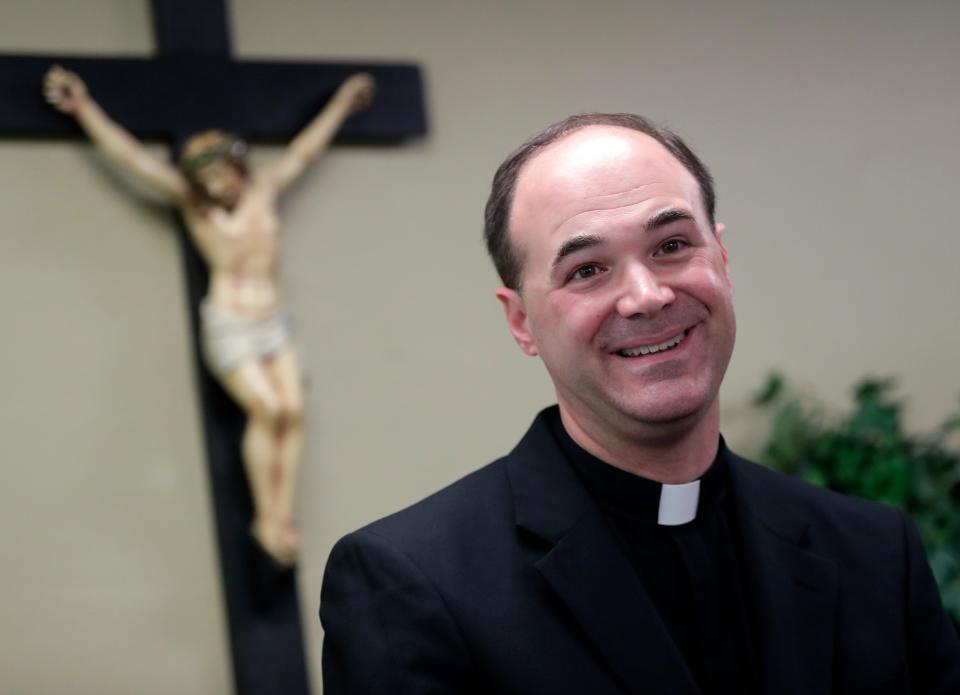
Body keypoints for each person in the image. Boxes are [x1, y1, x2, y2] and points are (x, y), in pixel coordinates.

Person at [319, 114, 960, 693]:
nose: (646, 296)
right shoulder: (413, 583)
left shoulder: (875, 553)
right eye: (587, 270)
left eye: (672, 246)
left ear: (724, 261)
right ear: (521, 323)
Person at [43, 65, 375, 567]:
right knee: (267, 410)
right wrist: (85, 108)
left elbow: (305, 150)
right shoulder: (194, 206)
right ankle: (266, 517)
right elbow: (133, 159)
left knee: (294, 410)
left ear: (237, 167)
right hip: (231, 324)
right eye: (204, 179)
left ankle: (283, 515)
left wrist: (341, 107)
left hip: (274, 320)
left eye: (219, 175)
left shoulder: (265, 189)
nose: (213, 186)